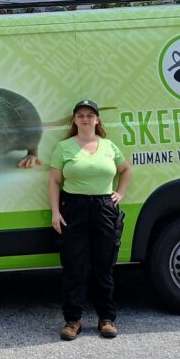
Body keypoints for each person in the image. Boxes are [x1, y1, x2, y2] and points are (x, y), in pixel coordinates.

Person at [49, 99, 133, 340]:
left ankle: (106, 318)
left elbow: (126, 170)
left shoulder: (108, 146)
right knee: (74, 265)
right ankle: (72, 320)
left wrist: (120, 193)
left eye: (90, 115)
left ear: (97, 120)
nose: (85, 119)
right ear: (75, 120)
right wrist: (55, 212)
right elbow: (54, 181)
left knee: (104, 264)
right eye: (80, 115)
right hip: (74, 208)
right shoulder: (64, 147)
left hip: (104, 207)